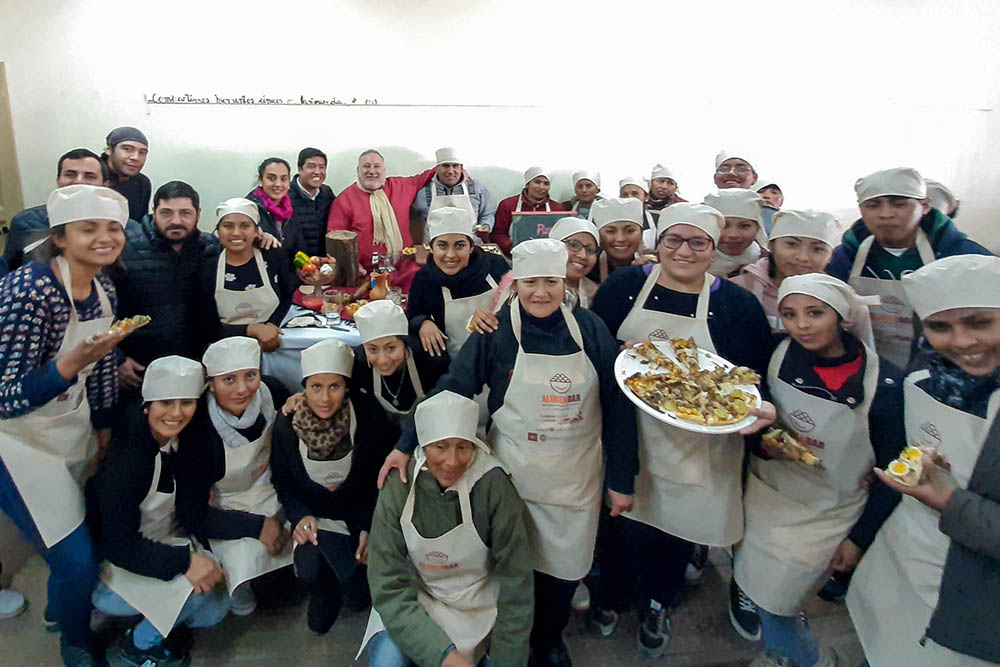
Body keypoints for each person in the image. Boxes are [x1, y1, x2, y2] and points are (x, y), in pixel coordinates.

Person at [386, 239, 637, 665]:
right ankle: (511, 641)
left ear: (565, 283)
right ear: (515, 283)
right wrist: (406, 443)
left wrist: (621, 480)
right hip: (512, 478)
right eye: (531, 282)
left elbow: (616, 407)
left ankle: (549, 639)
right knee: (511, 570)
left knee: (565, 570)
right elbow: (452, 390)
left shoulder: (590, 329)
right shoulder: (495, 331)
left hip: (574, 478)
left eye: (551, 282)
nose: (541, 293)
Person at [590, 203, 775, 656]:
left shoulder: (737, 305)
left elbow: (752, 381)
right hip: (631, 436)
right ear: (658, 243)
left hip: (702, 447)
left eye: (698, 242)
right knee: (625, 528)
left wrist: (759, 412)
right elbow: (593, 346)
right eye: (674, 239)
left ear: (714, 250)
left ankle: (658, 602)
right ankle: (612, 596)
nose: (685, 251)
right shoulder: (625, 286)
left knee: (677, 530)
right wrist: (619, 349)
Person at [734, 274, 904, 667]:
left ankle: (808, 660)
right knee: (763, 595)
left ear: (842, 317)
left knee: (777, 606)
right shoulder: (773, 354)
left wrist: (859, 539)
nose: (802, 325)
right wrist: (763, 444)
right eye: (790, 314)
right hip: (767, 499)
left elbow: (894, 471)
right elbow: (745, 418)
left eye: (815, 313)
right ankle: (787, 654)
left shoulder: (885, 382)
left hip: (829, 512)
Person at [848, 254, 1000, 666]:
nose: (962, 342)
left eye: (980, 322)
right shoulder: (921, 379)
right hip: (907, 557)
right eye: (939, 327)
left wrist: (952, 502)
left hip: (978, 594)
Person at [0, 184, 129, 666]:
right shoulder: (29, 292)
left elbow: (99, 365)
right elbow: (4, 395)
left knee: (81, 536)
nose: (104, 238)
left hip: (68, 426)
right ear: (60, 237)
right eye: (88, 228)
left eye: (112, 227)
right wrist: (67, 366)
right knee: (74, 556)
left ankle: (63, 606)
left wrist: (103, 427)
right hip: (17, 442)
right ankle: (75, 641)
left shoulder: (104, 286)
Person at [362, 391, 534, 667]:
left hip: (481, 607)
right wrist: (443, 656)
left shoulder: (494, 485)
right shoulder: (400, 484)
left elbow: (517, 581)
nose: (452, 462)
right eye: (440, 447)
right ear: (422, 446)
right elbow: (387, 583)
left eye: (463, 447)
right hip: (418, 600)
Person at [88, 356, 230, 667]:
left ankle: (159, 616)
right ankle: (139, 645)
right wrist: (186, 563)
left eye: (186, 403)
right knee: (200, 590)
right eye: (166, 402)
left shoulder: (187, 441)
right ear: (147, 405)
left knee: (213, 609)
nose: (177, 413)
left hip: (161, 540)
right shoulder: (127, 462)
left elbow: (194, 510)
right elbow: (120, 547)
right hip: (115, 566)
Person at [827, 167, 991, 368]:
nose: (886, 214)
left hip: (947, 369)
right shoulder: (844, 258)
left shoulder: (968, 258)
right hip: (867, 367)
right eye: (873, 205)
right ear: (861, 209)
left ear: (925, 206)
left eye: (899, 204)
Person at [176, 337, 292, 616]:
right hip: (226, 502)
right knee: (242, 557)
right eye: (229, 380)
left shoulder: (272, 393)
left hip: (269, 485)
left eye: (250, 376)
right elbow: (191, 514)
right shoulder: (198, 426)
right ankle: (241, 591)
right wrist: (257, 527)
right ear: (210, 383)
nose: (243, 389)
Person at [271, 339, 380, 634]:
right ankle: (323, 588)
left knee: (358, 601)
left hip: (355, 512)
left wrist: (367, 526)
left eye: (335, 386)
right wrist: (300, 515)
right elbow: (283, 480)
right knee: (310, 570)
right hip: (315, 517)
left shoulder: (367, 414)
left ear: (347, 387)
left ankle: (345, 578)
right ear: (303, 387)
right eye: (316, 387)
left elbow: (375, 480)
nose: (325, 398)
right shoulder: (286, 425)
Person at [112, 181, 221, 405]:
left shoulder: (210, 249)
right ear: (154, 212)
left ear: (198, 214)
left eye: (185, 213)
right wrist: (117, 358)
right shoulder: (124, 251)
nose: (176, 221)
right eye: (166, 213)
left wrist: (261, 238)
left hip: (194, 365)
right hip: (139, 369)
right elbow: (102, 313)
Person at [733, 209, 876, 348]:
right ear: (771, 245)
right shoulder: (737, 291)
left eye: (817, 249)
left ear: (830, 256)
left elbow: (867, 362)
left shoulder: (848, 305)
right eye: (792, 244)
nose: (802, 257)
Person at [407, 207, 510, 360]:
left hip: (502, 358)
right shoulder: (425, 279)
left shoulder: (496, 266)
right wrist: (423, 323)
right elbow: (413, 314)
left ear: (471, 247)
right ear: (432, 248)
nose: (450, 255)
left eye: (459, 245)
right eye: (442, 245)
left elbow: (517, 304)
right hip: (457, 366)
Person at [328, 149, 435, 292]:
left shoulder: (400, 187)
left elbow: (426, 175)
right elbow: (335, 242)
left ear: (384, 170)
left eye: (376, 166)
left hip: (404, 269)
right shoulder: (344, 200)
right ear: (358, 170)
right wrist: (355, 267)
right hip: (368, 274)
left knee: (423, 286)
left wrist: (456, 168)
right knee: (371, 299)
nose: (372, 171)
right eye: (366, 166)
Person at [3, 148, 110, 272]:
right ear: (58, 181)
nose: (78, 181)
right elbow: (7, 271)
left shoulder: (122, 228)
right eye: (70, 174)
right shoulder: (26, 222)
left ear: (105, 186)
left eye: (90, 176)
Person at [212, 198, 296, 352]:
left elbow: (287, 295)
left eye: (245, 226)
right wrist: (252, 330)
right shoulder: (208, 263)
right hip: (225, 345)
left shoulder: (272, 255)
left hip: (274, 338)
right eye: (227, 226)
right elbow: (206, 323)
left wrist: (272, 325)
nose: (236, 233)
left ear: (257, 231)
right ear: (217, 231)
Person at [411, 147, 495, 240]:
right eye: (445, 166)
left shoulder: (477, 188)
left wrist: (485, 226)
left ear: (461, 168)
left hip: (472, 247)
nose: (450, 171)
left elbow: (487, 214)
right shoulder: (424, 191)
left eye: (455, 166)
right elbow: (411, 218)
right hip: (434, 249)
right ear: (437, 169)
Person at [490, 167, 566, 255]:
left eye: (546, 183)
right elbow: (498, 234)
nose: (542, 187)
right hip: (515, 255)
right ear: (527, 184)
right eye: (537, 182)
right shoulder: (507, 205)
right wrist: (512, 246)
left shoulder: (557, 208)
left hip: (548, 255)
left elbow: (561, 236)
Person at [703, 188, 769, 278]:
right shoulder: (692, 263)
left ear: (758, 228)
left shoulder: (765, 264)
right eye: (723, 225)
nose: (733, 234)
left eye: (744, 226)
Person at [287, 147, 337, 259]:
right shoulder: (285, 195)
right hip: (295, 264)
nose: (317, 172)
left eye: (322, 167)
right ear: (300, 169)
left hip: (323, 264)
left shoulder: (327, 193)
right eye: (311, 166)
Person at [591, 197, 647, 281]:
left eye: (630, 231)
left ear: (641, 233)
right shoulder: (589, 270)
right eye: (610, 231)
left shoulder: (654, 268)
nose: (620, 239)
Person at [549, 216, 600, 309]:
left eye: (590, 249)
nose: (583, 255)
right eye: (573, 245)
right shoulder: (532, 288)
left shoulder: (595, 294)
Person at [102, 126, 151, 222]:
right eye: (127, 149)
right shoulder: (92, 175)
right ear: (109, 150)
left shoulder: (142, 183)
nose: (135, 157)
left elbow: (140, 226)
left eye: (142, 152)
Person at [247, 157, 295, 241]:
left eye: (284, 179)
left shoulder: (291, 207)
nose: (278, 184)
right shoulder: (249, 209)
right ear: (260, 180)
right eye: (271, 178)